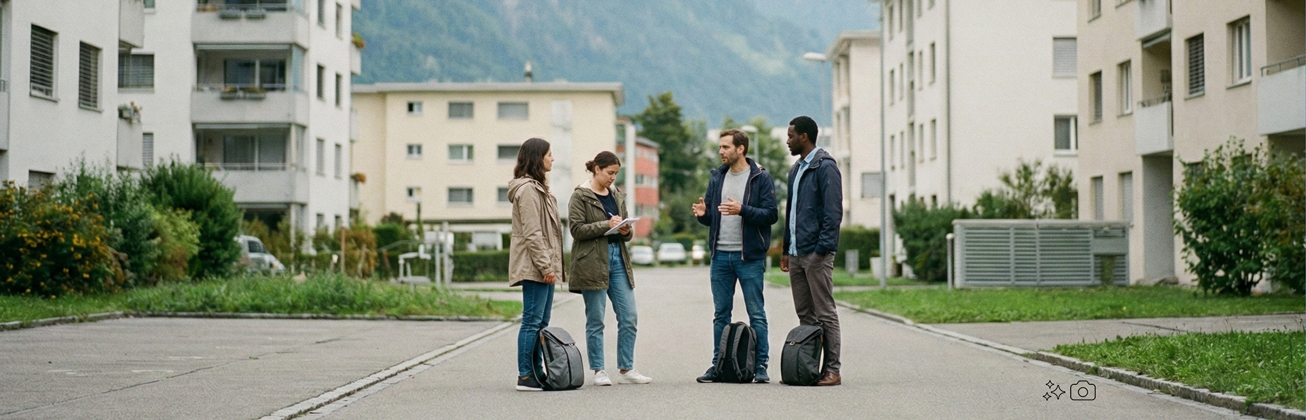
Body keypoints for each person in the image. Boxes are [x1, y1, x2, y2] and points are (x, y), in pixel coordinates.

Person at [691, 129, 778, 383]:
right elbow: (712, 217)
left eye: (726, 147)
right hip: (720, 256)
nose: (721, 152)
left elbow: (771, 214)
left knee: (756, 313)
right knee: (721, 313)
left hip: (748, 257)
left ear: (741, 149)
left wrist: (743, 210)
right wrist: (703, 214)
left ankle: (760, 366)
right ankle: (718, 365)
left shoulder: (760, 177)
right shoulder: (717, 177)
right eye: (720, 147)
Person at [567, 151, 652, 386]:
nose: (613, 178)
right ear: (596, 169)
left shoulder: (616, 195)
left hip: (618, 259)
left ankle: (627, 368)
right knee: (596, 319)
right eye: (609, 173)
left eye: (616, 173)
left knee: (629, 316)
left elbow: (625, 230)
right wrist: (606, 224)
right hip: (592, 261)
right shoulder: (580, 196)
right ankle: (599, 370)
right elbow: (576, 229)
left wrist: (626, 230)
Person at [780, 116, 843, 386]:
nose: (787, 140)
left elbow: (833, 214)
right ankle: (809, 368)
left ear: (804, 137)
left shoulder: (825, 167)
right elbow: (791, 213)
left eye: (791, 135)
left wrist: (821, 251)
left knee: (825, 312)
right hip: (796, 254)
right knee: (805, 314)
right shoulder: (796, 169)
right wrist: (785, 250)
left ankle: (833, 370)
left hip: (815, 254)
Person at [507, 138, 566, 392]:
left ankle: (537, 371)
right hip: (535, 266)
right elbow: (533, 233)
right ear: (537, 158)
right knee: (532, 320)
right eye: (549, 154)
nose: (553, 159)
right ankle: (525, 375)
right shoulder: (528, 190)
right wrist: (546, 267)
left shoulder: (541, 188)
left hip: (543, 265)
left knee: (541, 321)